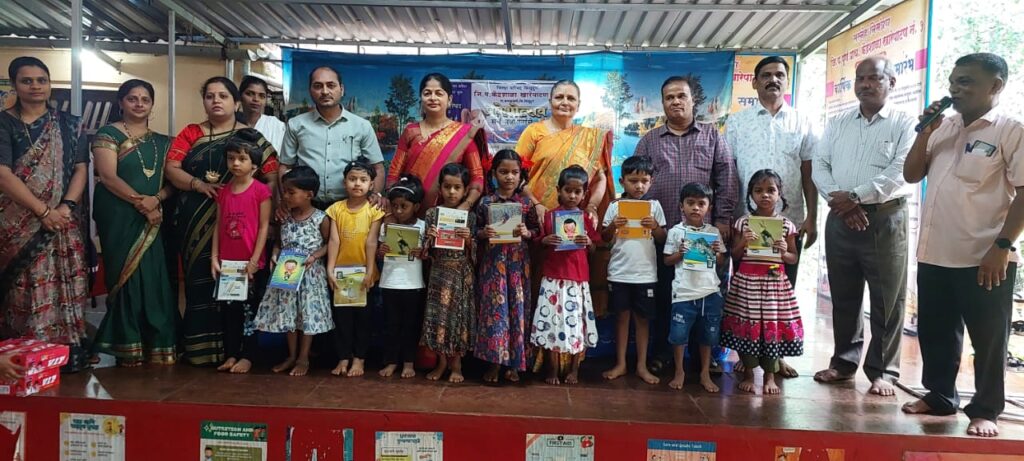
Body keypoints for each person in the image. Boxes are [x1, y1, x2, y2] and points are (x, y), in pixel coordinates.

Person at [902, 53, 1023, 438]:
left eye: (966, 81)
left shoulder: (1010, 130)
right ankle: (940, 396)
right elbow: (911, 174)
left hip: (984, 255)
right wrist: (925, 132)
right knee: (937, 332)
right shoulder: (944, 126)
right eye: (954, 81)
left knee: (989, 340)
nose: (955, 88)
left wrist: (1002, 246)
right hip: (935, 251)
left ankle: (986, 410)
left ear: (995, 86)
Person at [811, 57, 916, 396]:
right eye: (860, 78)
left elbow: (902, 170)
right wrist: (841, 202)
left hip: (885, 217)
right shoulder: (838, 123)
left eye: (874, 78)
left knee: (888, 298)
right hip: (840, 217)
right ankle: (844, 363)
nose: (866, 84)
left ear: (891, 82)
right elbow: (819, 165)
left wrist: (856, 196)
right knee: (844, 294)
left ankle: (883, 371)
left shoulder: (905, 123)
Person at [165, 77, 279, 366]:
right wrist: (197, 184)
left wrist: (268, 215)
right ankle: (203, 350)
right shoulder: (191, 133)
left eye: (223, 96)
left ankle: (245, 352)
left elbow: (272, 175)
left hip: (245, 228)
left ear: (236, 102)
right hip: (195, 220)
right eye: (210, 96)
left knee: (245, 295)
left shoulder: (250, 137)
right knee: (200, 283)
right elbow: (171, 168)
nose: (216, 101)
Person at [632, 75, 738, 375]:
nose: (676, 101)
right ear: (663, 103)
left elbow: (727, 178)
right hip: (663, 235)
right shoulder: (649, 140)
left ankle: (705, 356)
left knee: (705, 295)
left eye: (681, 96)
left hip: (704, 236)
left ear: (693, 100)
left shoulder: (712, 136)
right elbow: (636, 184)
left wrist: (722, 220)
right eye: (669, 97)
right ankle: (665, 352)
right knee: (666, 294)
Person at [726, 56, 818, 379]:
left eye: (780, 74)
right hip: (746, 222)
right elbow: (728, 171)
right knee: (745, 293)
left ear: (787, 81)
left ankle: (776, 357)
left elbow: (809, 171)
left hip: (788, 221)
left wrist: (812, 216)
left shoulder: (802, 122)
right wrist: (728, 217)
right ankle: (746, 352)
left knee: (781, 293)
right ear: (754, 82)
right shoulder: (737, 122)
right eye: (766, 75)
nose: (773, 80)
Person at [0, 57, 88, 354]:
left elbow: (80, 168)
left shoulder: (70, 124)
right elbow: (2, 174)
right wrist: (43, 212)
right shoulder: (4, 123)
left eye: (41, 80)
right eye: (27, 81)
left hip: (62, 220)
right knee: (22, 286)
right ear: (15, 85)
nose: (35, 86)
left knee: (64, 283)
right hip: (17, 223)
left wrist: (66, 206)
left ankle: (66, 352)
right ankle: (23, 353)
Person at [91, 79, 178, 366]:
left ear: (152, 105)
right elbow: (108, 177)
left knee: (154, 276)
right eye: (132, 98)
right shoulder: (108, 134)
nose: (139, 104)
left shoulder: (164, 142)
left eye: (145, 99)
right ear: (121, 102)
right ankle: (127, 342)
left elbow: (172, 182)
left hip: (154, 214)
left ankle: (156, 342)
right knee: (125, 277)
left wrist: (156, 199)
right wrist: (142, 204)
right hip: (119, 215)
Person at [722, 169, 803, 394]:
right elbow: (735, 255)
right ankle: (748, 374)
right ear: (751, 194)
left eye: (771, 190)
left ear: (779, 193)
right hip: (747, 283)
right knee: (747, 325)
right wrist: (743, 243)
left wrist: (785, 250)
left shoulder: (787, 225)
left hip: (774, 285)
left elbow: (793, 258)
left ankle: (769, 376)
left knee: (771, 326)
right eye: (758, 190)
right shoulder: (743, 223)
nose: (765, 195)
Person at [254, 166, 333, 377]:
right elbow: (279, 243)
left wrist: (314, 256)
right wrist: (274, 254)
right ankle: (290, 355)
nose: (286, 197)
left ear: (309, 194)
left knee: (306, 315)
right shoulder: (284, 217)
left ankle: (303, 357)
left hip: (310, 276)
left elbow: (330, 244)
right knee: (289, 314)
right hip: (287, 274)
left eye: (291, 192)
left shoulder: (321, 218)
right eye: (285, 192)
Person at [530, 165, 601, 385]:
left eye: (577, 192)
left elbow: (594, 248)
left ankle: (574, 370)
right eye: (568, 190)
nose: (572, 196)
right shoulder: (550, 216)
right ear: (558, 190)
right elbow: (537, 242)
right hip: (553, 278)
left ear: (584, 194)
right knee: (551, 323)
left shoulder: (585, 218)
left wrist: (588, 242)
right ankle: (551, 370)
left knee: (577, 324)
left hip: (577, 280)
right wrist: (544, 240)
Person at [474, 149, 540, 384]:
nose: (509, 177)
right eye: (503, 172)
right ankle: (494, 363)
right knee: (495, 313)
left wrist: (527, 233)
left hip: (517, 267)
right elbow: (473, 230)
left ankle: (515, 364)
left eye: (514, 172)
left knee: (517, 311)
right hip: (493, 267)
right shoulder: (485, 202)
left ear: (521, 174)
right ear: (494, 173)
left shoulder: (525, 204)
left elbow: (537, 231)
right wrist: (483, 233)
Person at [279, 66, 384, 211]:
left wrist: (375, 195)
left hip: (350, 207)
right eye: (318, 86)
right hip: (306, 207)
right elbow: (285, 167)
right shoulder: (296, 125)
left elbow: (377, 167)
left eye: (331, 85)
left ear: (341, 89)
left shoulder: (361, 126)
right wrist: (285, 200)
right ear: (310, 90)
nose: (324, 91)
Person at [210, 129, 272, 374]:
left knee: (250, 310)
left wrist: (255, 260)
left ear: (254, 164)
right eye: (231, 158)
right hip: (228, 264)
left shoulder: (260, 191)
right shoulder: (224, 191)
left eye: (242, 158)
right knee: (229, 311)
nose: (235, 163)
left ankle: (248, 356)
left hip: (250, 264)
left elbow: (264, 226)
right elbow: (218, 225)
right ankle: (231, 354)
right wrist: (214, 257)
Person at [600, 156, 667, 384]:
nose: (639, 186)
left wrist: (654, 226)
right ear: (622, 181)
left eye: (644, 181)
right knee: (621, 318)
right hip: (619, 272)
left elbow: (663, 239)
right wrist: (613, 225)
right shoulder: (614, 207)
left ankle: (641, 365)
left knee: (643, 320)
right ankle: (620, 363)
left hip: (645, 274)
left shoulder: (654, 207)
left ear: (651, 182)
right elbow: (604, 237)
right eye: (633, 181)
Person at [387, 73, 486, 213]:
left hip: (449, 213)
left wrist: (465, 205)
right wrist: (391, 201)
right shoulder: (410, 132)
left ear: (449, 100)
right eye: (427, 93)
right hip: (408, 214)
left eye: (439, 93)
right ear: (421, 99)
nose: (433, 98)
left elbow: (477, 177)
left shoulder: (464, 134)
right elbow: (394, 173)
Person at [663, 183, 727, 392]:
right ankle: (679, 371)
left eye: (701, 203)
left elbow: (720, 262)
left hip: (709, 292)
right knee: (678, 336)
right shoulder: (675, 232)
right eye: (690, 203)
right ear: (681, 206)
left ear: (709, 207)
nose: (696, 208)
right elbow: (667, 261)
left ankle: (704, 373)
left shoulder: (713, 232)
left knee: (708, 336)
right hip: (683, 293)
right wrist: (680, 253)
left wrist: (717, 252)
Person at [326, 158, 384, 378]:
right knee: (342, 319)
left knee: (363, 319)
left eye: (363, 180)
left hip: (363, 274)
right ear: (344, 182)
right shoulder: (336, 209)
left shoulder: (374, 210)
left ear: (371, 184)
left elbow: (372, 241)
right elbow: (334, 241)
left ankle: (359, 358)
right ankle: (343, 357)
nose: (357, 184)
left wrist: (369, 271)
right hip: (341, 274)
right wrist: (330, 269)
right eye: (352, 179)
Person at [422, 163, 477, 383]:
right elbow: (424, 252)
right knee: (440, 318)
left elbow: (477, 252)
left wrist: (469, 239)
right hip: (439, 273)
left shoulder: (470, 217)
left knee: (459, 319)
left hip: (461, 275)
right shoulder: (432, 214)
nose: (452, 192)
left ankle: (457, 364)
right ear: (440, 188)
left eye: (457, 187)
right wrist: (430, 238)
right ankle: (441, 362)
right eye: (447, 187)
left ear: (465, 190)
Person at [377, 174, 427, 379]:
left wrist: (422, 253)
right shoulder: (386, 227)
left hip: (413, 284)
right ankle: (391, 361)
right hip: (389, 283)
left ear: (416, 206)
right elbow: (379, 252)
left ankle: (408, 362)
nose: (398, 211)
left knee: (410, 326)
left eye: (404, 206)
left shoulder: (422, 226)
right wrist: (381, 251)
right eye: (395, 206)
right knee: (391, 325)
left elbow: (428, 255)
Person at [239, 75, 286, 153]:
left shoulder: (276, 125)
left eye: (261, 96)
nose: (256, 99)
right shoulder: (231, 123)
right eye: (250, 94)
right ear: (240, 96)